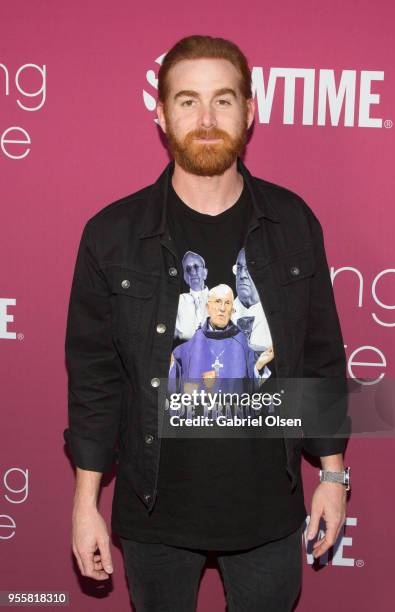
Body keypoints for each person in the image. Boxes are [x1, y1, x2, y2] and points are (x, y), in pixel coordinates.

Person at [64, 34, 350, 612]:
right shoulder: (112, 235)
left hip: (269, 506)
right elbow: (95, 380)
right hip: (154, 512)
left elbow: (320, 355)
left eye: (223, 100)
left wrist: (333, 475)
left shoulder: (293, 223)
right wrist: (85, 502)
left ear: (249, 112)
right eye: (188, 100)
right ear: (162, 115)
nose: (206, 117)